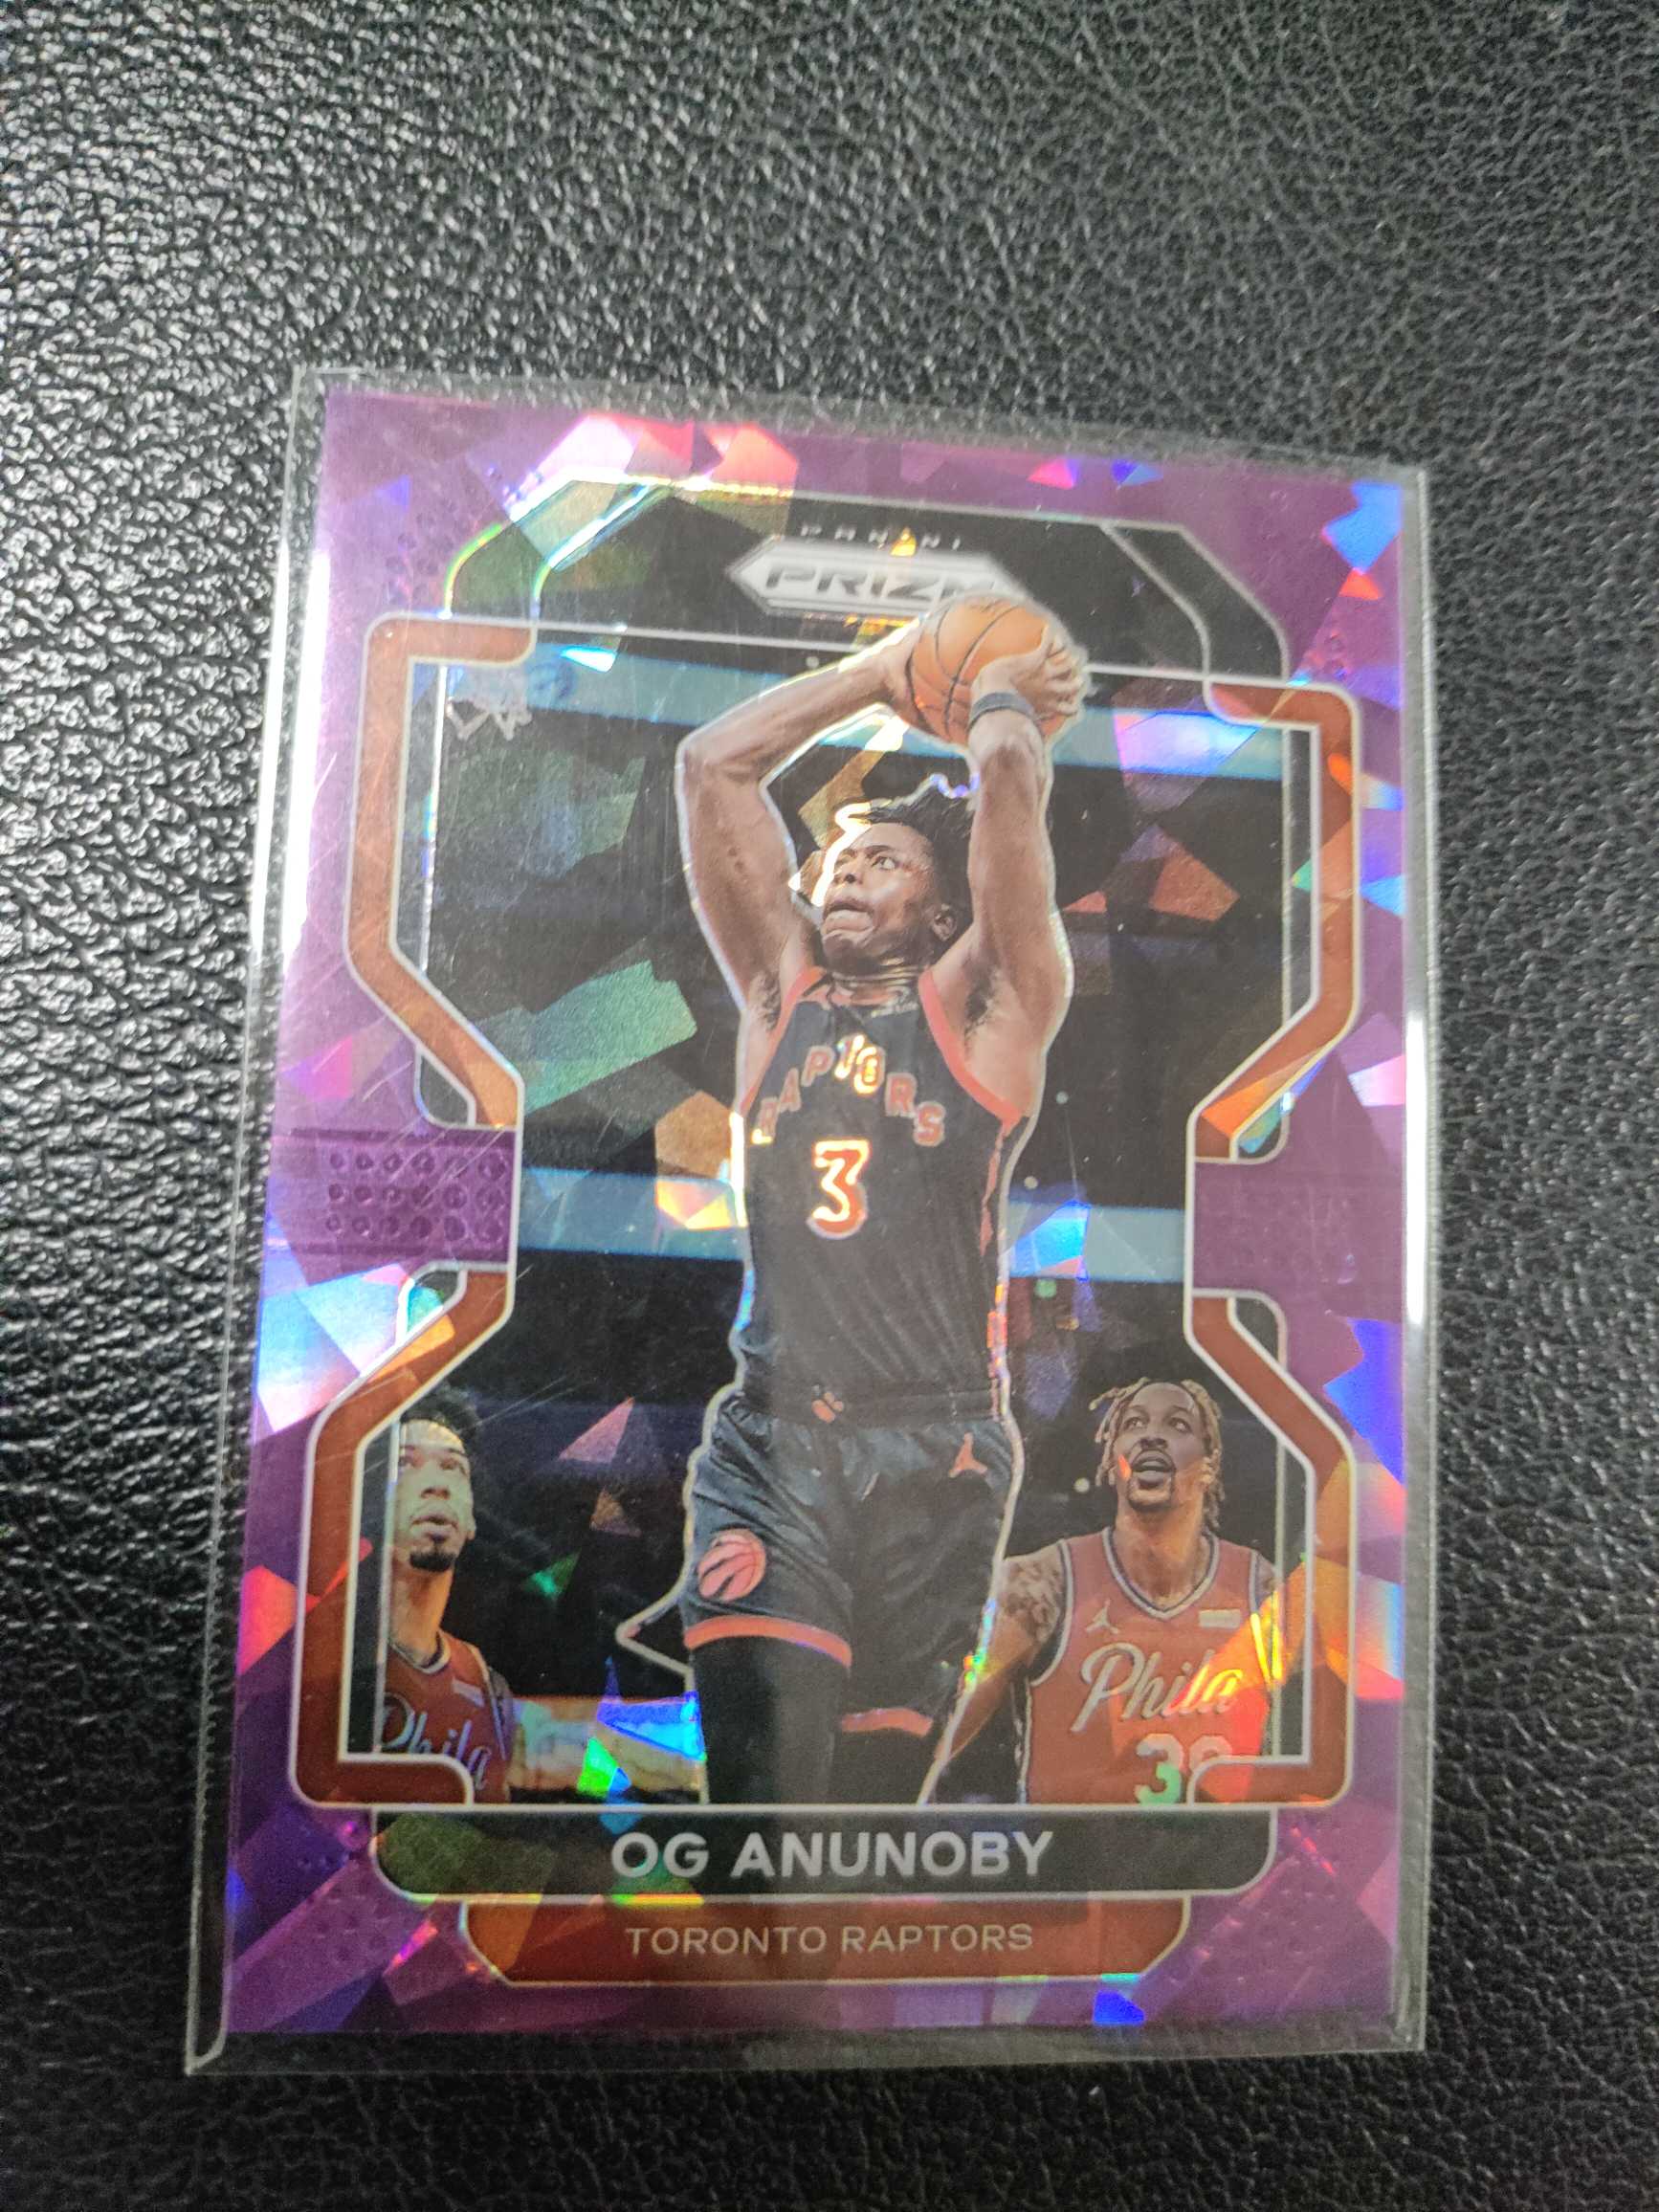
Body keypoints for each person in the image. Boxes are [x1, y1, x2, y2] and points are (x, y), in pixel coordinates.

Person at [663, 609, 1083, 1804]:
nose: (846, 869)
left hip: (937, 1451)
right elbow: (712, 763)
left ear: (945, 915)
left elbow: (1009, 786)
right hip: (775, 1440)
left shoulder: (991, 1007)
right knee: (764, 1825)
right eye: (840, 858)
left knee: (862, 1830)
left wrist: (994, 695)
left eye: (885, 860)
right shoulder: (779, 992)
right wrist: (876, 672)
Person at [937, 1378, 1294, 1805]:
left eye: (1177, 1425)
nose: (1152, 1435)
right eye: (1134, 1424)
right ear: (1112, 1458)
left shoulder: (1262, 1591)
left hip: (1219, 1846)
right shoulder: (1040, 1585)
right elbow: (939, 1742)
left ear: (1209, 1464)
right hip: (1071, 1845)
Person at [378, 1387, 697, 1802]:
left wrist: (621, 1800)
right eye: (407, 1465)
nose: (435, 1486)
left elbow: (560, 1753)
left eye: (451, 1468)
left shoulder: (487, 1675)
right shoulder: (354, 1645)